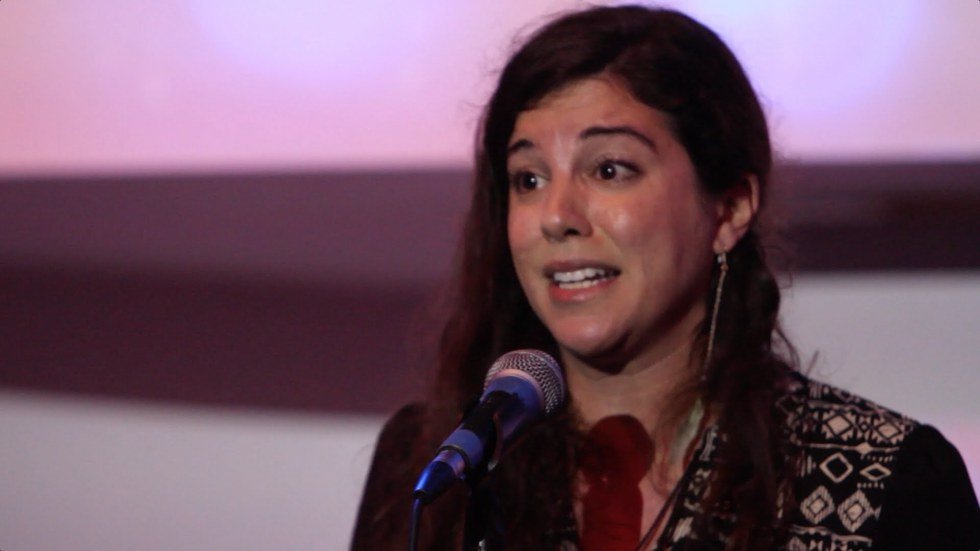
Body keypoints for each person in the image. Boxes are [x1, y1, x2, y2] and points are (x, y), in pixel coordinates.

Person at [352, 5, 980, 550]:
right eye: (529, 178)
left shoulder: (885, 477)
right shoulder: (441, 464)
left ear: (729, 209)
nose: (557, 216)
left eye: (609, 169)